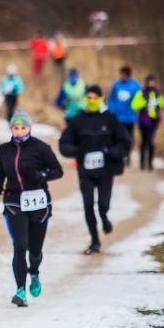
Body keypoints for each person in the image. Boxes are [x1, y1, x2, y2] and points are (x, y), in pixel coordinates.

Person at [0, 111, 63, 307]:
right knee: (20, 245)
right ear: (11, 129)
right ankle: (20, 291)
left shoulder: (41, 148)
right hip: (14, 201)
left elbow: (58, 170)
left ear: (30, 128)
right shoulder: (4, 149)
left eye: (23, 127)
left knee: (34, 250)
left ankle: (34, 272)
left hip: (38, 202)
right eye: (16, 128)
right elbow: (0, 169)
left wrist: (41, 175)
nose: (19, 131)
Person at [59, 85, 131, 255]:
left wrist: (112, 153)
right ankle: (94, 241)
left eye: (94, 98)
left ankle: (104, 217)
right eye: (88, 97)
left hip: (106, 170)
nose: (91, 100)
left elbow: (125, 142)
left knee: (102, 204)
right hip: (86, 171)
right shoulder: (78, 120)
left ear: (100, 99)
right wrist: (77, 152)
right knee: (88, 205)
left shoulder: (110, 119)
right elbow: (64, 143)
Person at [107, 65, 142, 165]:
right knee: (117, 137)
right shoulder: (116, 85)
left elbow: (139, 99)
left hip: (129, 117)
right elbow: (112, 99)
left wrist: (136, 107)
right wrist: (110, 110)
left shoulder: (135, 85)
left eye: (126, 74)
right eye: (122, 73)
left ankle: (127, 155)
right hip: (118, 117)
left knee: (128, 137)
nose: (124, 75)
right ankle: (119, 155)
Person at [131, 74, 164, 171]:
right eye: (150, 82)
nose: (151, 84)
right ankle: (142, 162)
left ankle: (150, 162)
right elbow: (134, 105)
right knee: (144, 141)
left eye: (153, 82)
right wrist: (143, 103)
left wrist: (158, 106)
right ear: (146, 83)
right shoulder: (141, 93)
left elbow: (162, 103)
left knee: (151, 141)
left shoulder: (158, 93)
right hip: (143, 120)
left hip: (154, 120)